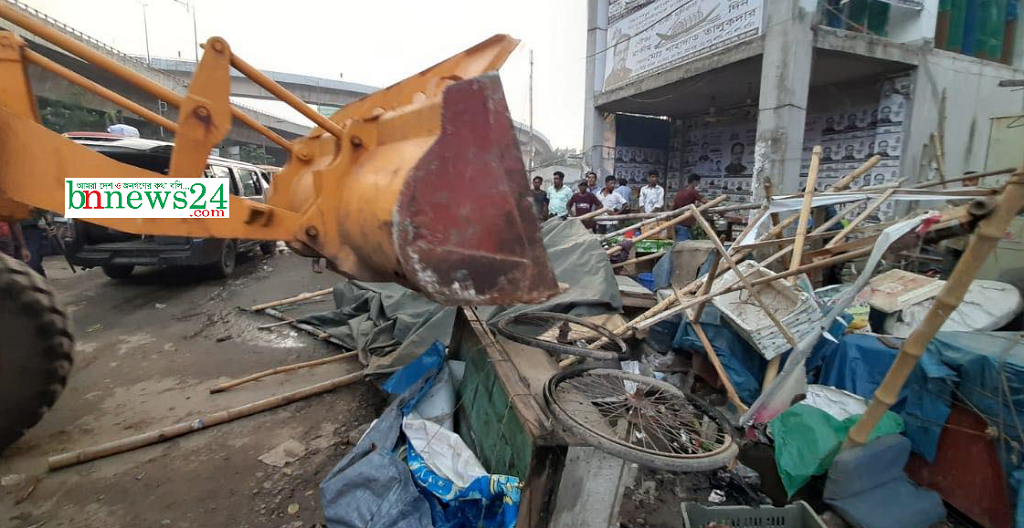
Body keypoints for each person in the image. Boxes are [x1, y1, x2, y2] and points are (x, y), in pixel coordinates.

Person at [672, 174, 705, 241]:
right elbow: (705, 201)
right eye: (698, 182)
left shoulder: (680, 192)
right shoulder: (693, 192)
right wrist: (717, 204)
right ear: (694, 182)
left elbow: (673, 206)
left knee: (679, 244)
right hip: (685, 224)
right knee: (683, 246)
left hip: (677, 222)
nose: (698, 184)